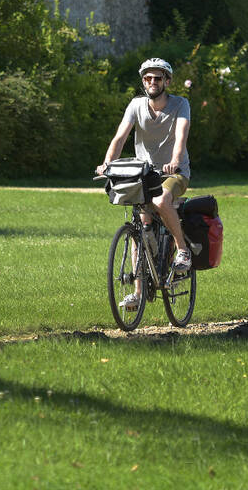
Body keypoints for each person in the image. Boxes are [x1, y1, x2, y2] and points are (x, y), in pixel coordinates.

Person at [97, 57, 193, 311]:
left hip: (174, 173)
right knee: (140, 230)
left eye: (157, 78)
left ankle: (182, 250)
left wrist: (174, 160)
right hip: (144, 174)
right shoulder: (136, 105)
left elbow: (181, 136)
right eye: (148, 78)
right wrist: (107, 163)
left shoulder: (180, 104)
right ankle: (139, 294)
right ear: (143, 82)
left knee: (161, 200)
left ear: (167, 81)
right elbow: (120, 137)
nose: (152, 82)